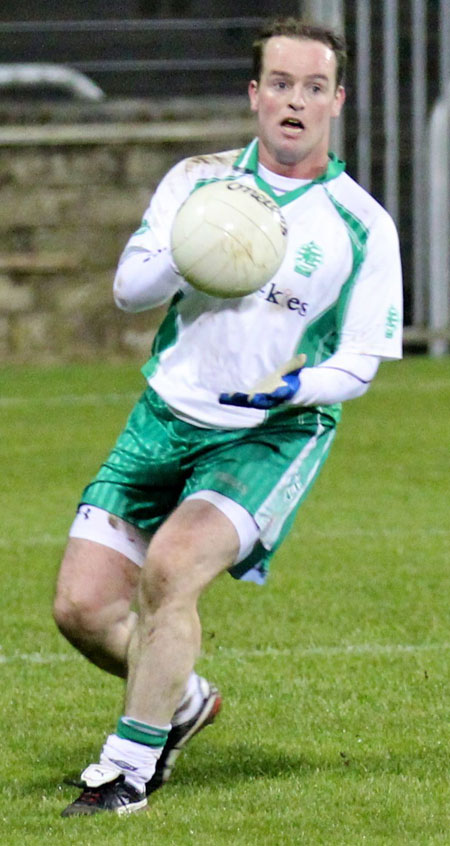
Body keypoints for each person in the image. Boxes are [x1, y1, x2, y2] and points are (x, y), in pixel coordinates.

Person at [54, 17, 403, 817]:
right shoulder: (195, 182)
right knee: (81, 609)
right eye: (280, 83)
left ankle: (125, 772)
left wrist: (300, 388)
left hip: (268, 433)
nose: (295, 101)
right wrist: (195, 248)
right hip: (163, 415)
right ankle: (182, 703)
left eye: (314, 87)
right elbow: (127, 292)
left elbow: (362, 359)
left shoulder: (361, 224)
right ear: (254, 95)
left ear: (336, 102)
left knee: (171, 570)